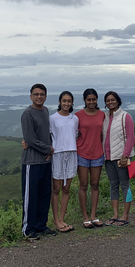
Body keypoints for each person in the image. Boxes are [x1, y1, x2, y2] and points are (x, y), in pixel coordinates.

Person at [21, 83, 56, 239]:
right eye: (36, 94)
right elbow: (30, 139)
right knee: (31, 196)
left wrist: (49, 150)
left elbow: (45, 134)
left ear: (46, 96)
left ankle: (41, 226)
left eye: (42, 94)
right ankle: (28, 229)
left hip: (45, 162)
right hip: (32, 162)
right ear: (31, 96)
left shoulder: (45, 111)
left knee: (44, 195)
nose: (39, 97)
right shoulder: (27, 114)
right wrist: (48, 149)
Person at [102, 90, 135, 227]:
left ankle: (125, 215)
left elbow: (130, 137)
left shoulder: (125, 116)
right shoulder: (104, 117)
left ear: (118, 101)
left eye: (112, 100)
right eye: (108, 100)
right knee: (113, 185)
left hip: (120, 158)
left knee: (125, 185)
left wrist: (125, 155)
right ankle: (115, 214)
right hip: (108, 157)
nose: (110, 102)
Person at [75, 88, 106, 228]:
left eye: (94, 99)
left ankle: (93, 215)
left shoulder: (102, 115)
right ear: (84, 100)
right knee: (83, 185)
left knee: (95, 185)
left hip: (97, 153)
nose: (91, 102)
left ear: (97, 100)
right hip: (82, 153)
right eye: (89, 100)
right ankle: (85, 217)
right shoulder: (78, 116)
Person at [49, 91, 79, 232]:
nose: (66, 103)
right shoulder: (52, 118)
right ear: (60, 102)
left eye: (69, 101)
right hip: (58, 154)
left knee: (66, 188)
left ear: (72, 103)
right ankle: (56, 221)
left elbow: (76, 135)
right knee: (56, 188)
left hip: (71, 153)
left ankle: (62, 219)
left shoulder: (75, 119)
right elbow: (48, 136)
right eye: (64, 101)